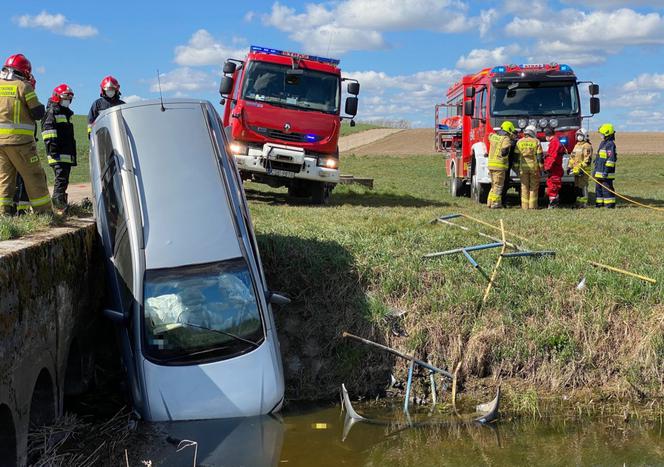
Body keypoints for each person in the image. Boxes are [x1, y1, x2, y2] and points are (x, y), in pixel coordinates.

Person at [0, 53, 52, 216]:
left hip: (1, 144)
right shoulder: (23, 86)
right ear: (24, 71)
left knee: (4, 180)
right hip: (20, 143)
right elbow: (37, 112)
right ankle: (44, 214)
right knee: (34, 176)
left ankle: (3, 214)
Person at [42, 84, 76, 210]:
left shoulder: (63, 113)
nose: (68, 100)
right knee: (61, 180)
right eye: (65, 97)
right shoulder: (52, 112)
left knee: (63, 180)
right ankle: (58, 206)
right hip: (58, 153)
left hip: (64, 153)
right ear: (57, 97)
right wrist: (53, 150)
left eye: (69, 98)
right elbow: (48, 132)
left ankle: (61, 204)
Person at [487, 121, 517, 209]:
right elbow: (504, 152)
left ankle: (489, 202)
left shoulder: (493, 136)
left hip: (490, 164)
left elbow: (490, 136)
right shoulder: (505, 139)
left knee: (493, 185)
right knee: (498, 186)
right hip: (499, 165)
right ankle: (496, 204)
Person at [515, 125, 543, 210]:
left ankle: (524, 206)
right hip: (533, 168)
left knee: (524, 187)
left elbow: (516, 157)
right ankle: (533, 206)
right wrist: (541, 168)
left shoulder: (519, 142)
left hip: (523, 169)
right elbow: (539, 157)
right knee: (534, 187)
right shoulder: (536, 141)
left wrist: (516, 169)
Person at [568, 128, 593, 207]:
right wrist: (569, 166)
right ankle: (579, 203)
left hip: (583, 171)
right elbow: (572, 158)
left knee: (583, 187)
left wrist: (581, 167)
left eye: (580, 135)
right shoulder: (576, 146)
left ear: (584, 136)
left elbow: (587, 160)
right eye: (578, 135)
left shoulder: (587, 146)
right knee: (577, 188)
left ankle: (584, 203)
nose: (579, 137)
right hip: (576, 171)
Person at [594, 123, 617, 208]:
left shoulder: (610, 144)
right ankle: (599, 204)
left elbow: (611, 160)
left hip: (606, 173)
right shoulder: (603, 143)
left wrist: (606, 171)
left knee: (607, 189)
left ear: (607, 133)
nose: (601, 135)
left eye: (602, 133)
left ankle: (609, 205)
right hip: (599, 172)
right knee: (598, 189)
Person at [543, 128, 564, 209]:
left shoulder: (554, 142)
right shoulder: (555, 141)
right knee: (552, 185)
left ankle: (553, 204)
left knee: (553, 185)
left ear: (547, 136)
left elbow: (552, 156)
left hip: (555, 168)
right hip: (555, 168)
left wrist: (547, 167)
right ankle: (553, 203)